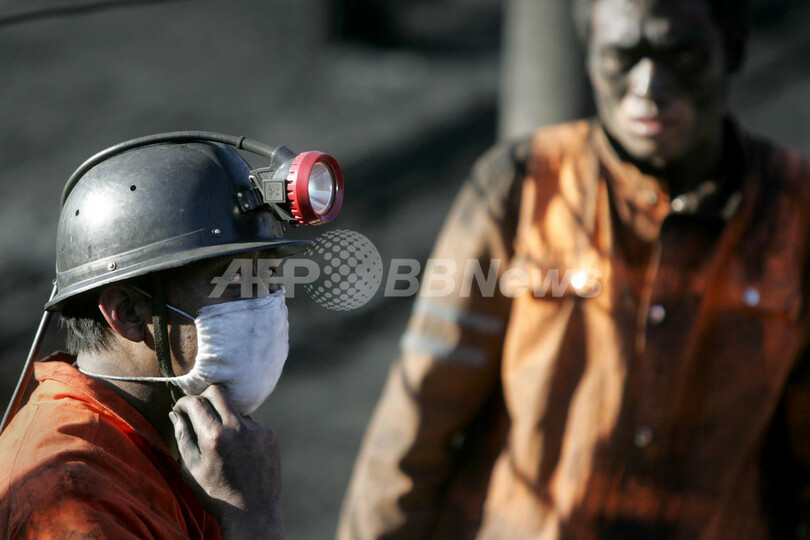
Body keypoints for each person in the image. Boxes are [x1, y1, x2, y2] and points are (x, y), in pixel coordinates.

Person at [339, 0, 810, 537]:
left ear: (735, 50)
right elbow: (416, 421)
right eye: (621, 56)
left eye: (682, 54)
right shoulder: (519, 186)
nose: (649, 85)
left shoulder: (794, 212)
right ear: (588, 58)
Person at [0, 135, 343, 538]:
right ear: (128, 313)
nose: (264, 306)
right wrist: (253, 517)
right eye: (232, 281)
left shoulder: (184, 446)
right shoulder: (71, 497)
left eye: (267, 277)